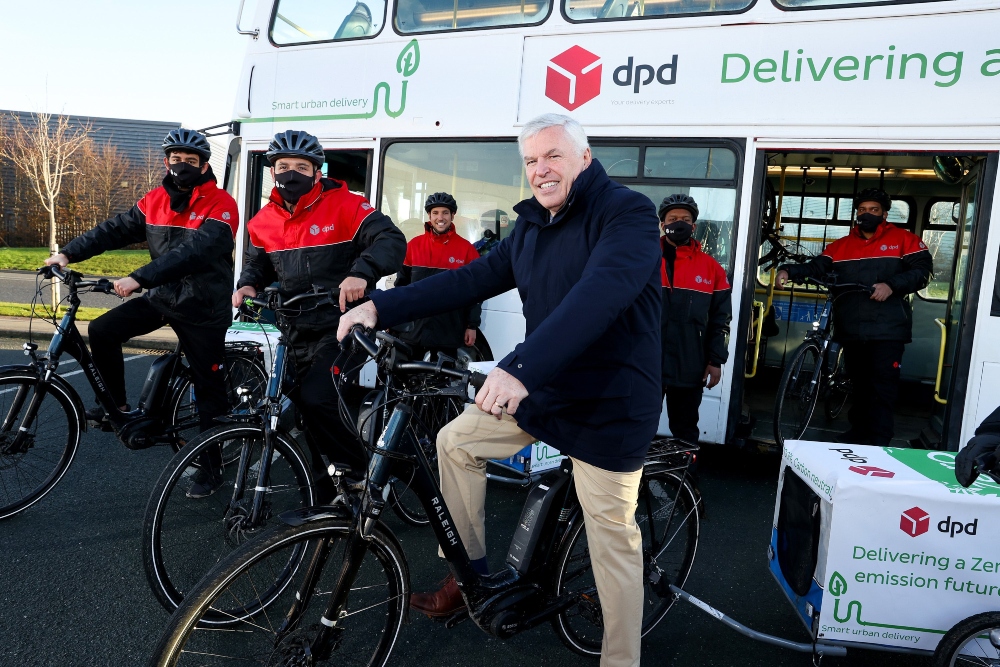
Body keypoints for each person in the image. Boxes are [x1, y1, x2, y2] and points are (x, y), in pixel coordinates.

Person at [338, 113, 661, 667]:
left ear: (584, 158)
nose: (541, 170)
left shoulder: (626, 213)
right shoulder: (533, 226)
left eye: (553, 156)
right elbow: (469, 279)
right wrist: (381, 305)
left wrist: (519, 366)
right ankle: (470, 578)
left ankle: (620, 659)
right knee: (454, 441)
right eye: (531, 161)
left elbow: (600, 294)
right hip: (546, 387)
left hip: (609, 401)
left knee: (613, 540)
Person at [45, 128, 239, 497]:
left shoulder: (221, 203)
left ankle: (211, 471)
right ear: (166, 162)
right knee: (102, 330)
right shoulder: (155, 199)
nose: (182, 167)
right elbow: (114, 230)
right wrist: (67, 253)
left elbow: (194, 252)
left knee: (209, 391)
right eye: (176, 160)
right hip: (163, 297)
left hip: (203, 308)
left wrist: (138, 277)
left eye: (191, 161)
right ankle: (116, 407)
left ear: (204, 165)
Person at [231, 129, 405, 488]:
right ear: (272, 170)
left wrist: (362, 272)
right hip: (293, 329)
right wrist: (247, 284)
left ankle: (363, 475)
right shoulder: (264, 220)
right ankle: (322, 492)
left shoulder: (347, 205)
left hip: (341, 326)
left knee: (317, 398)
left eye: (300, 166)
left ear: (316, 171)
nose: (290, 173)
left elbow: (391, 240)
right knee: (306, 413)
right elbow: (259, 262)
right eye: (282, 166)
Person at [776, 188, 932, 446]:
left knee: (882, 387)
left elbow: (923, 272)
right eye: (862, 210)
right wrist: (788, 271)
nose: (866, 214)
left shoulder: (905, 240)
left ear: (884, 213)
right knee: (858, 384)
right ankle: (858, 432)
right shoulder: (840, 246)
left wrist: (891, 285)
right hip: (851, 327)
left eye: (873, 210)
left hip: (887, 330)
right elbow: (816, 267)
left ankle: (879, 439)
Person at [658, 194, 732, 444]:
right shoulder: (642, 260)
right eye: (673, 218)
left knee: (685, 429)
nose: (679, 223)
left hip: (689, 362)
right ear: (662, 224)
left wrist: (716, 360)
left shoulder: (712, 268)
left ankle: (686, 480)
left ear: (694, 226)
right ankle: (637, 482)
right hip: (646, 361)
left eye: (685, 219)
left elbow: (721, 319)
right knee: (637, 426)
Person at [394, 192, 481, 360]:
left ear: (452, 216)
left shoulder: (467, 250)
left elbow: (475, 293)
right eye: (435, 213)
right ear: (429, 215)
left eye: (445, 212)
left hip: (448, 331)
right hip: (414, 331)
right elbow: (401, 287)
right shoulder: (413, 246)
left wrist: (472, 326)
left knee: (442, 384)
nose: (440, 217)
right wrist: (393, 318)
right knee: (406, 381)